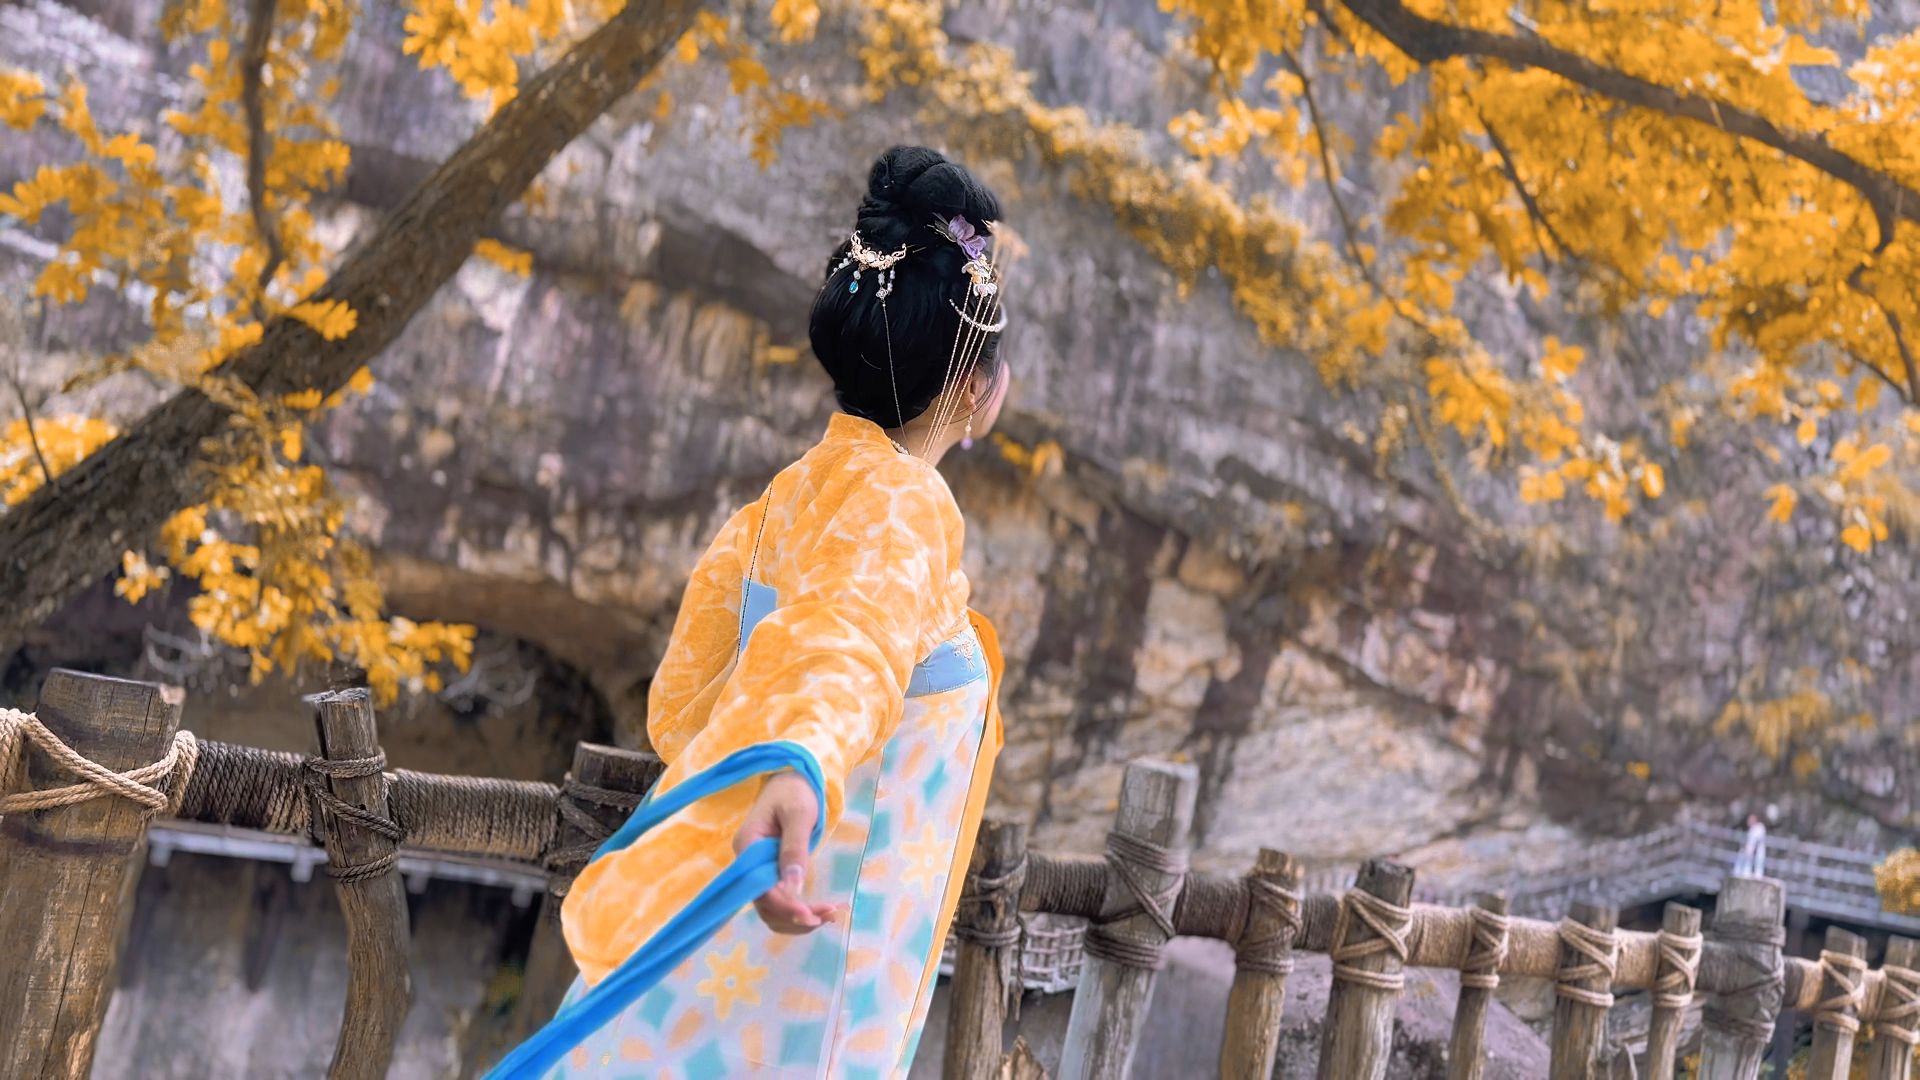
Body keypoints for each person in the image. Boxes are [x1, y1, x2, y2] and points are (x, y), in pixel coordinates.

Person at [544, 147, 1014, 1078]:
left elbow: (686, 709)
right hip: (819, 966)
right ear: (973, 386)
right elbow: (848, 643)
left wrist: (787, 748)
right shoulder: (903, 505)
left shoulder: (782, 504)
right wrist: (802, 761)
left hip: (734, 948)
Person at [1733, 813, 1767, 878]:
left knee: (1757, 861)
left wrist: (1749, 848)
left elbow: (1756, 841)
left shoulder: (1759, 828)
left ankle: (1755, 874)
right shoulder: (1752, 829)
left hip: (1756, 850)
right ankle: (1741, 872)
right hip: (1751, 849)